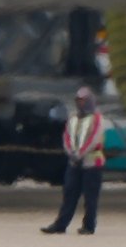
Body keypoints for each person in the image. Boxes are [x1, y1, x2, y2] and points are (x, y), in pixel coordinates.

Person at [42, 83, 109, 233]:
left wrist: (80, 153)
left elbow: (94, 139)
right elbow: (66, 136)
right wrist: (71, 152)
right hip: (74, 162)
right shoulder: (72, 118)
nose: (80, 103)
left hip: (92, 163)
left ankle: (89, 226)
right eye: (78, 100)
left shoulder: (97, 118)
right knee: (69, 195)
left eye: (83, 100)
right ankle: (60, 225)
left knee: (90, 198)